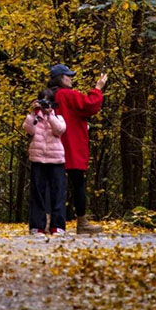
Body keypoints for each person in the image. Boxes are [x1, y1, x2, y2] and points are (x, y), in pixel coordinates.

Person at [50, 63, 107, 235]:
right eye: (68, 76)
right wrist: (98, 88)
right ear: (60, 78)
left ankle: (48, 221)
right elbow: (90, 105)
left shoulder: (50, 96)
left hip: (53, 146)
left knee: (52, 184)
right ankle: (82, 222)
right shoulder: (68, 95)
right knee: (78, 183)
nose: (71, 78)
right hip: (71, 144)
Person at [23, 89, 67, 235]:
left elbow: (59, 130)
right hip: (38, 159)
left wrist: (50, 115)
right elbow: (28, 129)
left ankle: (57, 226)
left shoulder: (58, 117)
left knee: (58, 193)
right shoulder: (35, 118)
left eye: (47, 102)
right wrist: (33, 113)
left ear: (53, 104)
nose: (45, 105)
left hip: (56, 160)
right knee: (37, 193)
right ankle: (37, 226)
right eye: (42, 101)